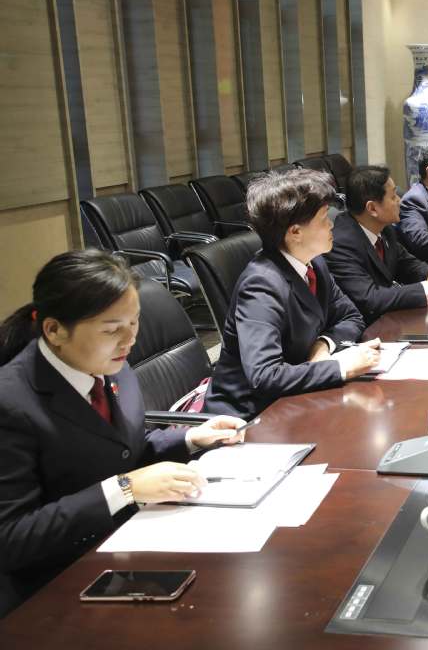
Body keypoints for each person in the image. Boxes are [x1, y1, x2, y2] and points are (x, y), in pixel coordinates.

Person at [0, 250, 245, 617]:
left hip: (128, 542)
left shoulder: (110, 365)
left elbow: (120, 448)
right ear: (54, 331)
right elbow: (12, 538)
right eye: (112, 329)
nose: (129, 340)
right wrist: (125, 488)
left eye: (134, 322)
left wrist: (190, 438)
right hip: (56, 585)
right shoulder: (10, 402)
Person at [204, 168, 379, 419]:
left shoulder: (314, 262)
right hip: (249, 416)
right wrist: (340, 366)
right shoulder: (261, 286)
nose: (332, 224)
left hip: (298, 398)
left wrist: (323, 346)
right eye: (324, 218)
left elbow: (351, 316)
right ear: (295, 232)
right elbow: (264, 376)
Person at [326, 165, 428, 324]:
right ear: (372, 208)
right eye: (393, 196)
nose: (399, 200)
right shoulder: (340, 244)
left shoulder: (385, 229)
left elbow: (408, 265)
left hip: (391, 321)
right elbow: (370, 299)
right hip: (366, 329)